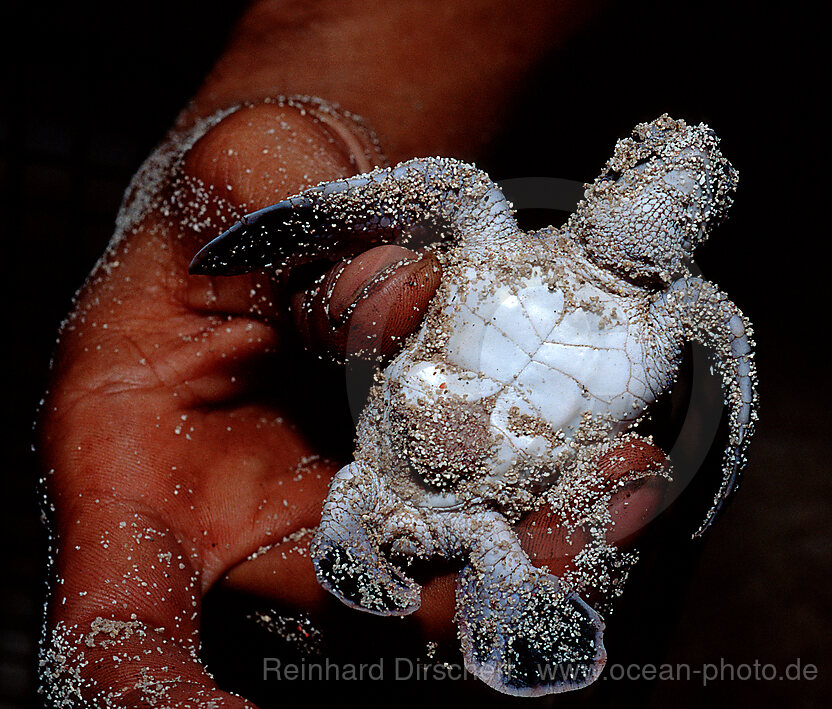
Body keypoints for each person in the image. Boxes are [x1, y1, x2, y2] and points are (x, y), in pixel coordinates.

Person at [37, 1, 672, 705]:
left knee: (540, 555)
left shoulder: (680, 316)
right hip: (375, 481)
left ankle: (508, 613)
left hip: (483, 520)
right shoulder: (488, 221)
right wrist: (291, 219)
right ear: (612, 172)